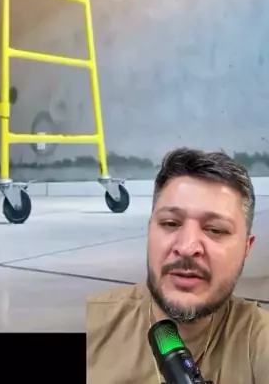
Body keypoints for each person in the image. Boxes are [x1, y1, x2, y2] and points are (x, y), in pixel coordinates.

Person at [87, 148, 269, 383]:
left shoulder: (258, 340)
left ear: (246, 249)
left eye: (215, 229)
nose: (186, 247)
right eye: (170, 223)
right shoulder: (93, 322)